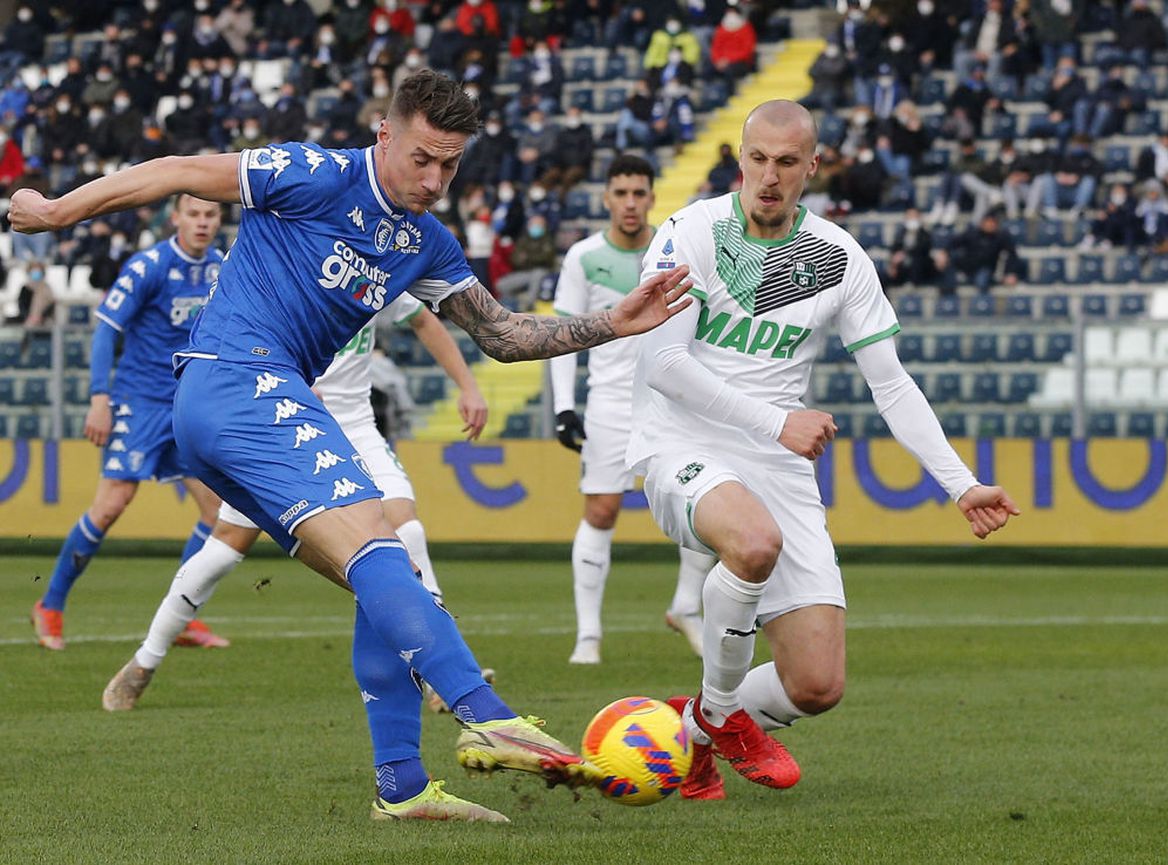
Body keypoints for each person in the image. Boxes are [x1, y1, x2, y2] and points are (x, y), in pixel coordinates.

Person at [10, 69, 692, 823]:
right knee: (380, 548)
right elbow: (177, 170)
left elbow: (503, 333)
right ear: (384, 135)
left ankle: (401, 787)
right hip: (234, 378)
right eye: (423, 158)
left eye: (451, 164)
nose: (435, 179)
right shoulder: (313, 173)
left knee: (381, 572)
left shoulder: (426, 242)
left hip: (263, 398)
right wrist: (57, 210)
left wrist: (611, 323)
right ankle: (487, 711)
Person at [627, 100, 1019, 800]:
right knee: (751, 541)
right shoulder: (690, 233)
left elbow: (892, 384)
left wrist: (962, 484)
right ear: (738, 159)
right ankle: (722, 715)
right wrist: (777, 421)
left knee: (816, 684)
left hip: (776, 459)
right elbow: (663, 365)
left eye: (786, 162)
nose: (769, 176)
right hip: (679, 438)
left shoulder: (838, 257)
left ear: (812, 166)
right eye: (757, 159)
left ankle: (687, 728)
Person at [102, 293, 489, 714]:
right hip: (288, 424)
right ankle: (145, 660)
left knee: (406, 528)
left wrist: (469, 387)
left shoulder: (379, 268)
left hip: (357, 428)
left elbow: (425, 322)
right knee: (222, 551)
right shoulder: (290, 270)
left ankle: (439, 675)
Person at [30, 195, 228, 652]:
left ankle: (179, 616)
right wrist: (100, 397)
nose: (202, 223)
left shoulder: (220, 267)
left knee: (217, 513)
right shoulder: (149, 266)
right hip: (139, 402)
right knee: (110, 506)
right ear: (175, 218)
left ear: (220, 220)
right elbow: (106, 329)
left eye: (210, 215)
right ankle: (51, 604)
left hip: (188, 406)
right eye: (193, 214)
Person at [548, 154, 715, 665]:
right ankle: (589, 637)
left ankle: (686, 606)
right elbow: (563, 332)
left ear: (651, 197)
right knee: (601, 511)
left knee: (704, 505)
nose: (630, 203)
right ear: (606, 199)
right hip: (611, 402)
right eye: (620, 193)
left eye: (639, 193)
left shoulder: (676, 249)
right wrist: (563, 405)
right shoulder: (584, 257)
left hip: (671, 400)